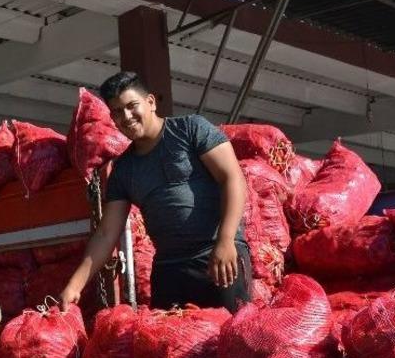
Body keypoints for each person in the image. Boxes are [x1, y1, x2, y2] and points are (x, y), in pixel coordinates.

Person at [59, 71, 251, 312]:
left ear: (150, 102)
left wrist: (225, 241)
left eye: (132, 106)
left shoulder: (191, 129)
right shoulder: (122, 170)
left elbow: (232, 178)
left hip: (217, 258)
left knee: (231, 341)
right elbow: (107, 233)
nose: (126, 117)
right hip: (170, 270)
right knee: (170, 347)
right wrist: (74, 286)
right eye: (117, 112)